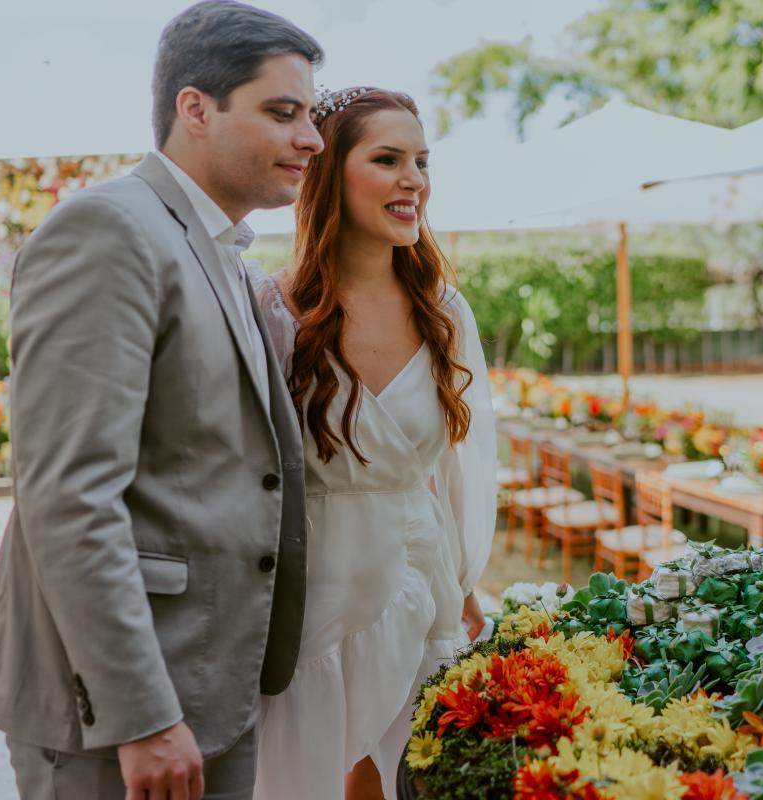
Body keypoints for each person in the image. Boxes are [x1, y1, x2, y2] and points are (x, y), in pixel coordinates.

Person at [0, 3, 324, 798]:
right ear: (195, 109)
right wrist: (140, 715)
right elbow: (69, 495)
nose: (312, 140)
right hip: (118, 713)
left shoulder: (219, 249)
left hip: (210, 683)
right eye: (283, 112)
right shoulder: (107, 231)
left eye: (310, 115)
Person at [250, 86, 496, 800]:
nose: (413, 178)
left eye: (421, 160)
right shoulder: (270, 309)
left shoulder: (444, 311)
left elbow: (458, 466)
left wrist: (462, 578)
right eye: (387, 158)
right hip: (315, 589)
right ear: (328, 177)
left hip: (421, 581)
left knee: (410, 776)